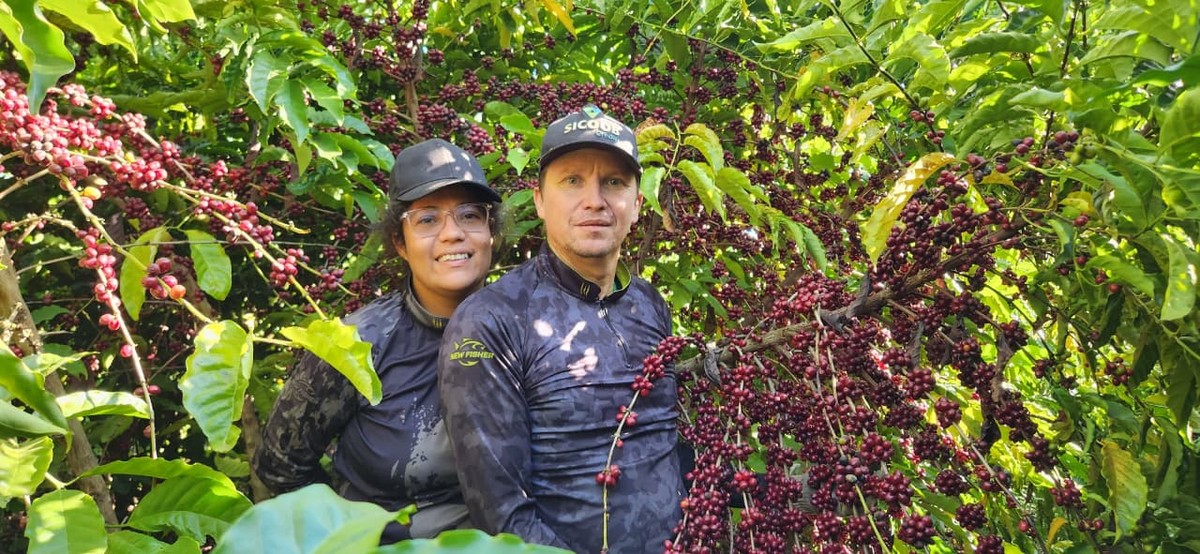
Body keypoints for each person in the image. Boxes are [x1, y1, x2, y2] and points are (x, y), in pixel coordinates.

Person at [438, 105, 682, 554]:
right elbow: (503, 516)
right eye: (572, 181)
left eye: (613, 182)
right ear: (538, 200)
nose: (595, 200)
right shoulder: (491, 322)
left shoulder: (649, 303)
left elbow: (669, 445)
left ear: (637, 203)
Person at [253, 138, 502, 543]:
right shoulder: (356, 343)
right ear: (399, 243)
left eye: (470, 215)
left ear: (490, 233)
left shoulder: (531, 328)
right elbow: (281, 464)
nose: (453, 234)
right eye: (427, 219)